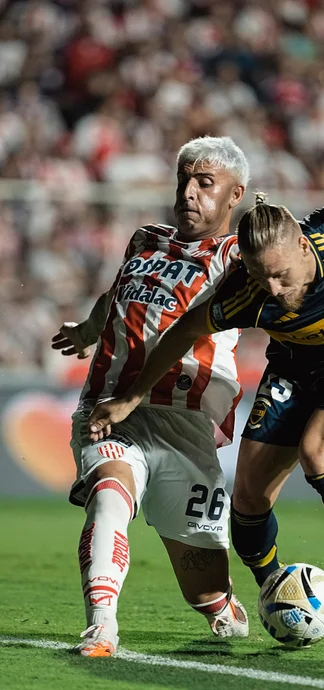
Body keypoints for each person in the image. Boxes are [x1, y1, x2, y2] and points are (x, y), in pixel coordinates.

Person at [88, 56, 324, 635]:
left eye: (280, 275)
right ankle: (280, 594)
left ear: (300, 242)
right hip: (294, 369)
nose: (272, 290)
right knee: (246, 501)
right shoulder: (245, 292)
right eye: (260, 277)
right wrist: (132, 396)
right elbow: (183, 331)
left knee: (320, 456)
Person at [51, 136, 251, 657]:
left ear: (235, 195)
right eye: (184, 180)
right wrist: (90, 328)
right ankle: (101, 627)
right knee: (108, 495)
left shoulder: (239, 256)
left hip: (185, 424)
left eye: (205, 183)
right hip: (112, 406)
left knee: (206, 591)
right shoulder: (145, 239)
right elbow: (119, 292)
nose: (188, 193)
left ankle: (224, 605)